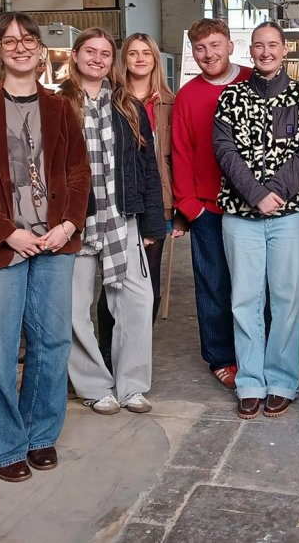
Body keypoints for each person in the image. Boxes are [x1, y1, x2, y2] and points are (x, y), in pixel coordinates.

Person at [0, 12, 90, 482]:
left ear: (39, 50)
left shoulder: (59, 108)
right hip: (2, 245)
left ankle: (39, 436)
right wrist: (7, 231)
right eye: (9, 41)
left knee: (52, 342)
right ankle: (2, 446)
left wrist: (69, 223)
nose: (20, 47)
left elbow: (78, 172)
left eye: (28, 40)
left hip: (55, 241)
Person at [214, 21, 299, 419]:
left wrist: (276, 193)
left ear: (284, 50)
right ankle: (250, 380)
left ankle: (281, 380)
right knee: (244, 299)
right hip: (241, 215)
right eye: (258, 46)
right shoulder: (232, 97)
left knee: (287, 299)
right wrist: (256, 195)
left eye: (272, 45)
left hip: (291, 215)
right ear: (250, 51)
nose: (265, 52)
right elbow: (224, 151)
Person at [61, 28, 164, 416]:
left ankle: (132, 385)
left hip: (123, 217)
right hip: (77, 221)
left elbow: (147, 167)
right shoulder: (57, 104)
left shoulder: (128, 106)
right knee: (75, 308)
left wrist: (154, 223)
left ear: (111, 61)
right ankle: (93, 384)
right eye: (91, 51)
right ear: (75, 55)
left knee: (138, 301)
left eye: (105, 53)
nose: (98, 58)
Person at [172, 19, 250, 389]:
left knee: (252, 285)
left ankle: (254, 351)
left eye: (216, 45)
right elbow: (181, 154)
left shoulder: (253, 81)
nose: (209, 54)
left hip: (251, 207)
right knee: (213, 285)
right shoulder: (187, 95)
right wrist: (191, 206)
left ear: (231, 46)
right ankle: (221, 356)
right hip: (208, 209)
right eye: (200, 48)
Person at [96, 34, 179, 366]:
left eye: (147, 53)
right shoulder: (108, 99)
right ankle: (106, 353)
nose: (140, 58)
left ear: (156, 59)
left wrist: (178, 208)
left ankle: (134, 352)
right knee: (113, 280)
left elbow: (179, 156)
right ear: (123, 59)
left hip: (158, 200)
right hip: (116, 201)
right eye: (133, 53)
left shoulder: (171, 104)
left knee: (149, 284)